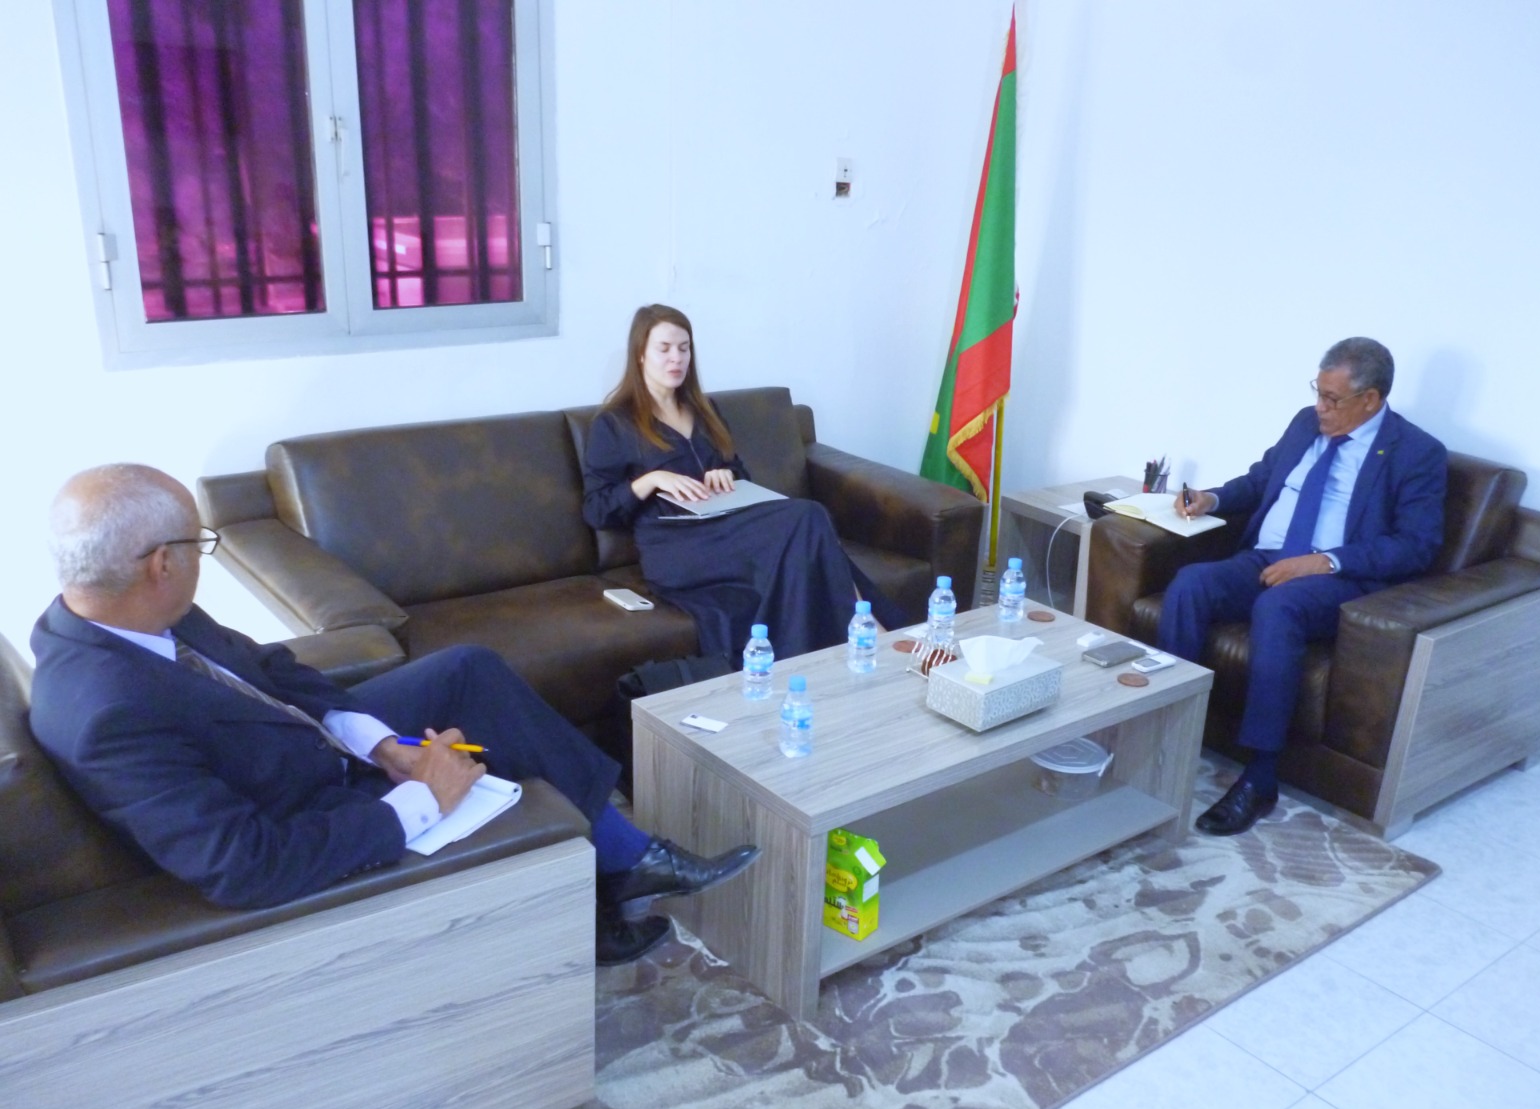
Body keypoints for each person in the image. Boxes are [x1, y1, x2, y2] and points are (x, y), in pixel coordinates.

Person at [29, 464, 759, 965]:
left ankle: (624, 857)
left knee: (468, 671)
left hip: (309, 745)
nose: (201, 560)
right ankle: (618, 872)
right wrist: (422, 796)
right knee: (479, 744)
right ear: (160, 563)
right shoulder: (105, 713)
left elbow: (275, 670)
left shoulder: (136, 614)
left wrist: (378, 743)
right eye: (198, 547)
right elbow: (244, 867)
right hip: (301, 797)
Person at [1158, 337, 1447, 835]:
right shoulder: (1304, 423)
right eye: (1318, 392)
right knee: (1191, 584)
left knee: (1279, 607)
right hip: (1268, 557)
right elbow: (1263, 479)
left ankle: (1260, 777)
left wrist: (1323, 561)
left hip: (1341, 577)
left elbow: (1416, 545)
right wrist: (1212, 498)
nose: (1320, 408)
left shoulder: (1416, 453)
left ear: (1371, 399)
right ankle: (1164, 731)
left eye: (1332, 399)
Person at [582, 303, 898, 665]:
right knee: (807, 518)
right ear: (640, 354)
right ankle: (871, 630)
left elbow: (738, 472)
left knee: (808, 524)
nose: (676, 358)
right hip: (676, 545)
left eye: (684, 348)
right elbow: (597, 509)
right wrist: (651, 480)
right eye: (664, 349)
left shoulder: (705, 410)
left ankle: (845, 644)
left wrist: (726, 474)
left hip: (727, 526)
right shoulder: (615, 423)